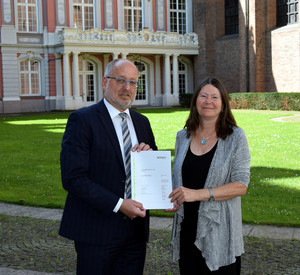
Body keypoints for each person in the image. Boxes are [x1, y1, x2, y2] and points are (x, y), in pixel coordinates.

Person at [59, 59, 157, 275]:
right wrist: (119, 204)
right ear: (105, 82)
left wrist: (149, 159)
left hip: (135, 232)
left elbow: (152, 173)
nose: (127, 88)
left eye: (133, 82)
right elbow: (73, 178)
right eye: (120, 80)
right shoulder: (82, 120)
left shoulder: (142, 122)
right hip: (96, 229)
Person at [167, 77, 251, 274]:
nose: (208, 101)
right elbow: (177, 178)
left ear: (223, 105)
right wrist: (171, 196)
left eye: (215, 97)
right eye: (203, 96)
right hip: (187, 230)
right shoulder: (183, 136)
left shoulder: (236, 137)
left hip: (220, 233)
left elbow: (241, 185)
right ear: (196, 101)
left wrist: (197, 194)